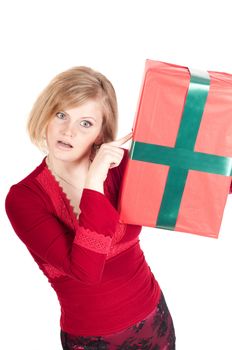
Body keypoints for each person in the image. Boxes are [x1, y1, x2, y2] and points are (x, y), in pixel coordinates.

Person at [5, 66, 176, 350]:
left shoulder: (122, 166)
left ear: (100, 134)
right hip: (90, 339)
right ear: (45, 115)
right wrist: (94, 183)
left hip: (153, 320)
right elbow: (86, 271)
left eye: (85, 123)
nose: (68, 131)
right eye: (61, 115)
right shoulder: (24, 199)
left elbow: (188, 189)